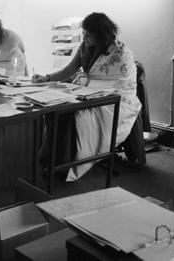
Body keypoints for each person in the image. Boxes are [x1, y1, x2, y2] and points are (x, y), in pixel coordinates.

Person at [32, 12, 141, 181]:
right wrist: (47, 78)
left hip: (116, 98)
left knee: (75, 115)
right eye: (84, 33)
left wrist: (88, 89)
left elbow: (121, 83)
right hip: (87, 91)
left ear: (101, 34)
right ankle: (51, 160)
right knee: (55, 107)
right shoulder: (85, 46)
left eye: (89, 34)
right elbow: (70, 69)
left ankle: (64, 164)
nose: (85, 37)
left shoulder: (120, 52)